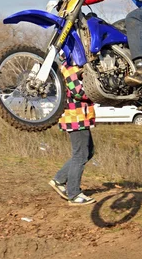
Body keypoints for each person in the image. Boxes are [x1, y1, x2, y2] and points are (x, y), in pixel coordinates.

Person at [48, 63, 96, 206]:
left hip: (79, 118)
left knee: (89, 151)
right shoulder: (69, 68)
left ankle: (59, 180)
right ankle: (74, 194)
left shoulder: (71, 68)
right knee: (80, 155)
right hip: (75, 118)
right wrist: (97, 93)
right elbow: (78, 92)